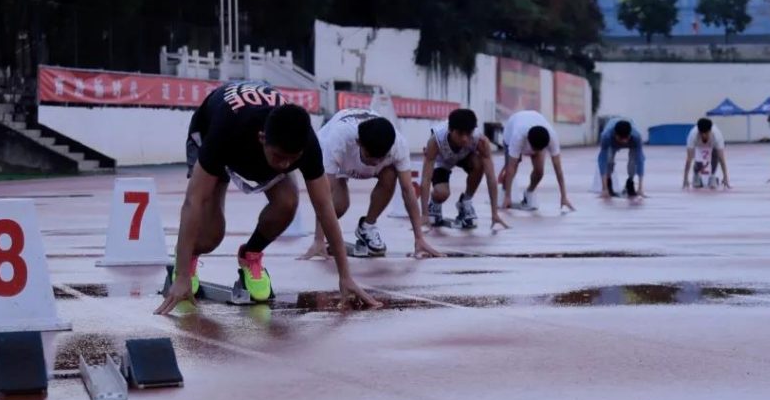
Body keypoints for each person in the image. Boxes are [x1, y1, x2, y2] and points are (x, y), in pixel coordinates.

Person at [156, 81, 379, 315]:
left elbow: (325, 207)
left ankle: (251, 254)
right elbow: (193, 202)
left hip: (261, 140)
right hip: (215, 131)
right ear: (262, 138)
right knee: (211, 235)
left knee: (288, 201)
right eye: (279, 157)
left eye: (292, 159)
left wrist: (345, 276)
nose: (284, 164)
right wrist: (182, 275)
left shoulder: (307, 145)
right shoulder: (226, 129)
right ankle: (187, 258)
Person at [297, 108, 442, 260]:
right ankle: (325, 235)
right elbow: (324, 192)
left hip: (359, 154)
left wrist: (419, 238)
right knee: (340, 205)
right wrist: (318, 239)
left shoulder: (399, 145)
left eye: (381, 158)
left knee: (390, 174)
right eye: (370, 157)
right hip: (340, 161)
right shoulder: (336, 140)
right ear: (359, 143)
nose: (375, 162)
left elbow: (408, 190)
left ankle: (367, 226)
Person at [420, 108, 508, 229]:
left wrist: (495, 213)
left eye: (468, 133)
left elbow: (491, 177)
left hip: (464, 157)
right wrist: (424, 214)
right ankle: (434, 204)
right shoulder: (435, 140)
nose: (464, 138)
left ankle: (465, 202)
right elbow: (425, 178)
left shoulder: (481, 141)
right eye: (460, 134)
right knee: (442, 193)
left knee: (480, 163)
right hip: (442, 161)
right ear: (450, 130)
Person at [497, 109, 574, 212]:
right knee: (512, 168)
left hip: (535, 131)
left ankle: (529, 192)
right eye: (534, 149)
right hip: (510, 134)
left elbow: (558, 170)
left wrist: (564, 196)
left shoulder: (552, 137)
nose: (534, 152)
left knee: (539, 171)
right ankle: (504, 193)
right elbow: (510, 168)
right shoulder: (517, 136)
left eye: (539, 150)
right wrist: (508, 196)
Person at [597, 118, 646, 198]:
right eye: (621, 139)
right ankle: (608, 182)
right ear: (615, 135)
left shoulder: (636, 137)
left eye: (626, 139)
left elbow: (640, 160)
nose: (624, 142)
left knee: (633, 161)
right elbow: (602, 160)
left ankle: (630, 182)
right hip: (612, 143)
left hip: (631, 142)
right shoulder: (606, 136)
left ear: (629, 135)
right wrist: (604, 189)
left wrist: (640, 188)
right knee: (609, 160)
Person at [682, 118, 730, 190]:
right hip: (698, 145)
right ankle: (696, 174)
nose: (704, 135)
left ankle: (712, 175)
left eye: (706, 133)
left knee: (716, 154)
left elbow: (721, 159)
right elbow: (689, 159)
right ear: (698, 131)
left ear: (710, 130)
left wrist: (725, 177)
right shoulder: (692, 135)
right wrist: (685, 178)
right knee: (698, 159)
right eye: (701, 133)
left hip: (712, 144)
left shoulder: (717, 136)